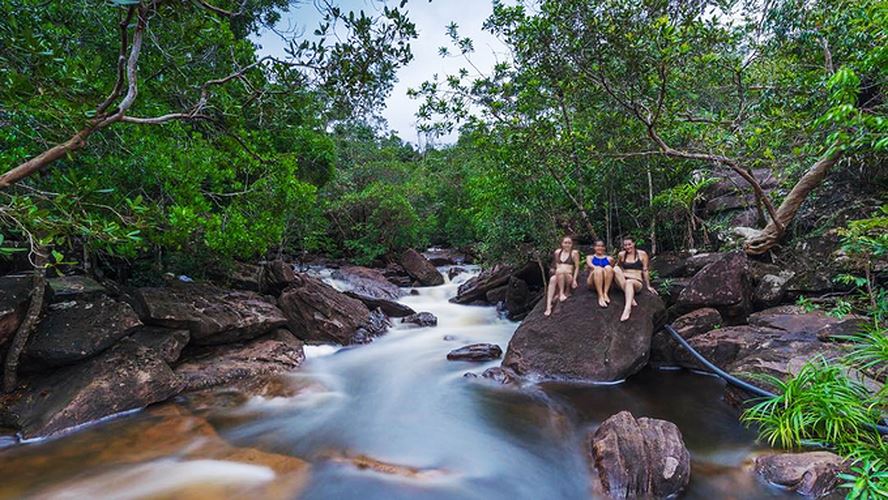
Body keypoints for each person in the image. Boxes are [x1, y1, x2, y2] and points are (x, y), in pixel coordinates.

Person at [613, 237, 657, 322]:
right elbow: (618, 266)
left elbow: (645, 270)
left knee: (629, 282)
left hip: (636, 282)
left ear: (634, 244)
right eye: (625, 245)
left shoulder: (642, 254)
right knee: (615, 269)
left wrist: (648, 286)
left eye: (629, 244)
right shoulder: (621, 255)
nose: (627, 247)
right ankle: (629, 295)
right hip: (623, 281)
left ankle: (627, 308)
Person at [544, 235, 580, 317]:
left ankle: (561, 293)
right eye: (565, 243)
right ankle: (548, 306)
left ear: (572, 244)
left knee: (560, 271)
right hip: (559, 276)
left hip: (568, 277)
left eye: (569, 243)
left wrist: (574, 280)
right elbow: (557, 266)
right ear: (562, 244)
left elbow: (577, 267)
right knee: (553, 279)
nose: (567, 245)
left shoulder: (574, 253)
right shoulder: (557, 252)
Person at [585, 240, 614, 308]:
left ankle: (605, 293)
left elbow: (612, 270)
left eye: (602, 246)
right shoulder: (590, 257)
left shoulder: (609, 258)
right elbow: (591, 265)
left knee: (609, 267)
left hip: (605, 281)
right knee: (598, 269)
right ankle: (600, 296)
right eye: (598, 246)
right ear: (594, 247)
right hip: (593, 281)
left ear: (604, 248)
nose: (600, 248)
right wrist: (601, 269)